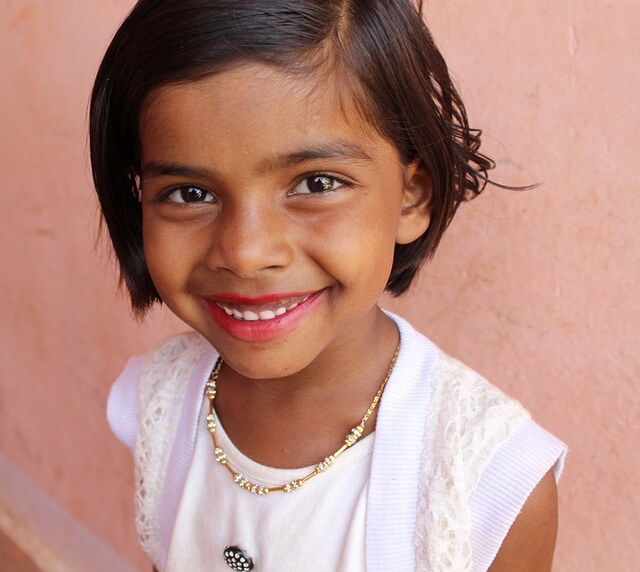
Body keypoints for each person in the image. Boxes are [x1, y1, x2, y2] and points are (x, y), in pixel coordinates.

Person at [91, 1, 567, 570]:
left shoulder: (490, 482)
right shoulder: (162, 401)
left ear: (411, 197)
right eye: (190, 193)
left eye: (316, 183)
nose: (246, 253)